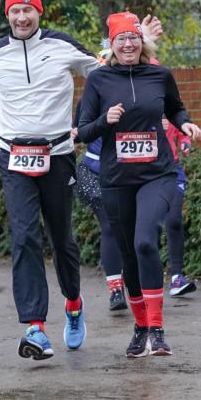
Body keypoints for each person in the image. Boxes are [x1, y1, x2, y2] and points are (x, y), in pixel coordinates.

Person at [0, 0, 161, 362]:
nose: (21, 17)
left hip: (58, 154)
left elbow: (105, 68)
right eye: (15, 10)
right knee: (24, 237)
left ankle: (73, 302)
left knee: (61, 239)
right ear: (8, 14)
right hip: (13, 156)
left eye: (28, 10)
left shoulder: (61, 45)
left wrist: (134, 42)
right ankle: (35, 327)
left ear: (39, 12)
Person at [77, 11, 201, 358]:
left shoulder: (160, 75)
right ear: (112, 45)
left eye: (134, 38)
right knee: (128, 253)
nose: (128, 44)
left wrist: (187, 124)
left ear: (141, 42)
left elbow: (177, 109)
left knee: (145, 242)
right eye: (121, 39)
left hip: (157, 174)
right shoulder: (99, 80)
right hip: (116, 180)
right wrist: (106, 119)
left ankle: (158, 330)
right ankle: (140, 327)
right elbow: (82, 130)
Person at [74, 104, 128, 312]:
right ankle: (116, 289)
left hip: (131, 170)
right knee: (109, 226)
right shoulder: (91, 95)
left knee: (134, 227)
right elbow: (79, 131)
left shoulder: (137, 89)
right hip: (95, 171)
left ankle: (137, 281)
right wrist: (73, 133)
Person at [162, 117, 197, 297]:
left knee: (174, 220)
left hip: (173, 170)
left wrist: (185, 142)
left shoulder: (169, 100)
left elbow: (181, 131)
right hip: (146, 173)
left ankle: (177, 277)